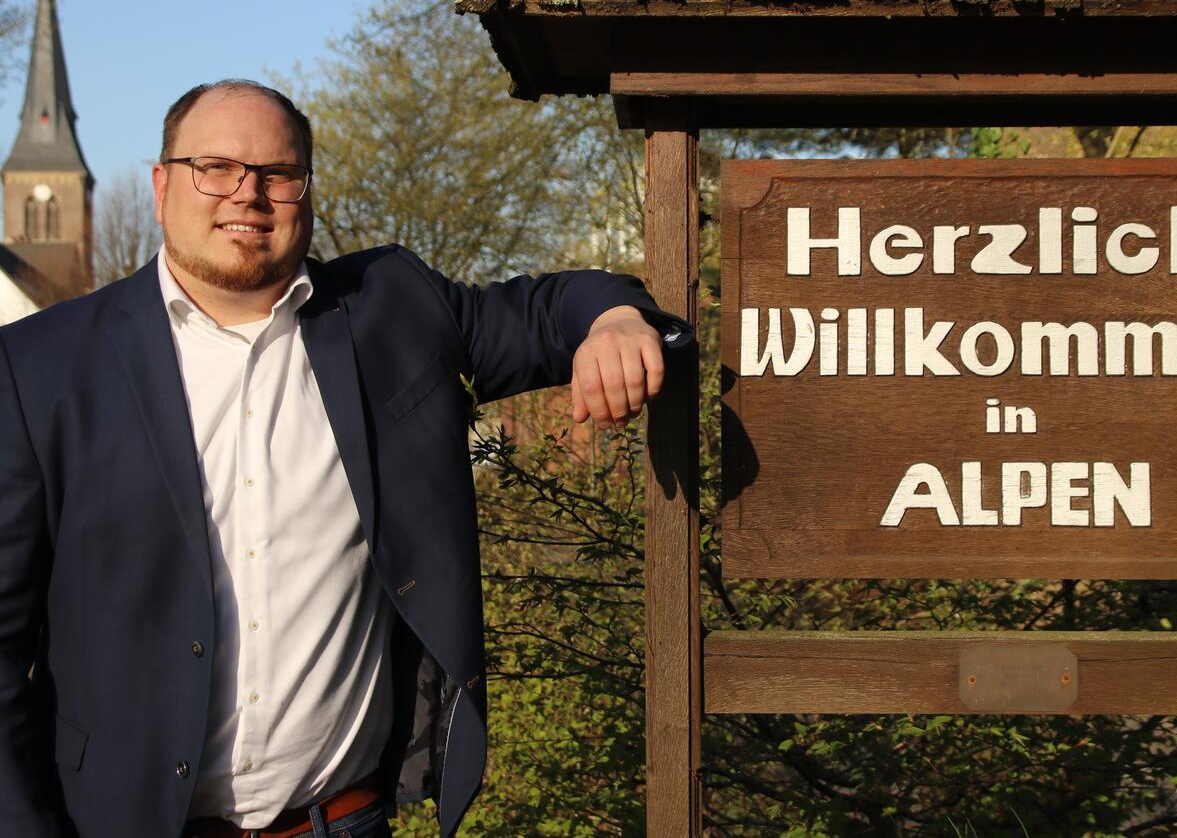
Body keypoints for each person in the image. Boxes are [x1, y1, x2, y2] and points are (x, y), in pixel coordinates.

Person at [0, 80, 687, 838]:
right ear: (162, 184)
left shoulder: (388, 312)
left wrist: (616, 318)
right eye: (217, 167)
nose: (249, 194)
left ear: (307, 191)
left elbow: (546, 308)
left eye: (277, 174)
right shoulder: (42, 367)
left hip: (343, 823)